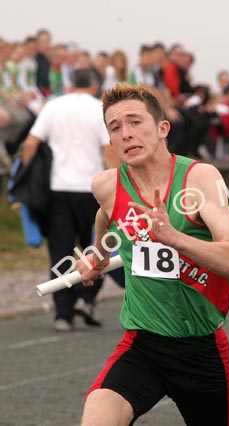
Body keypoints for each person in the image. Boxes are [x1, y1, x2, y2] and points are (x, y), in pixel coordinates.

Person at [75, 84, 229, 426]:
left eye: (136, 122)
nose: (126, 134)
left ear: (162, 128)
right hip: (142, 346)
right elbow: (106, 217)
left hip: (201, 348)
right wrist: (98, 255)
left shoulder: (200, 179)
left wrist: (174, 238)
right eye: (115, 127)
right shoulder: (106, 185)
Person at [21, 68, 117, 332]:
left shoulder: (53, 106)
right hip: (92, 188)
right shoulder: (100, 109)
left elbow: (30, 143)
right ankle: (86, 299)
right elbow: (108, 149)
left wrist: (25, 176)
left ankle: (62, 313)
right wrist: (117, 183)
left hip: (58, 188)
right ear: (95, 84)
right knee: (96, 248)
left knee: (60, 250)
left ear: (71, 84)